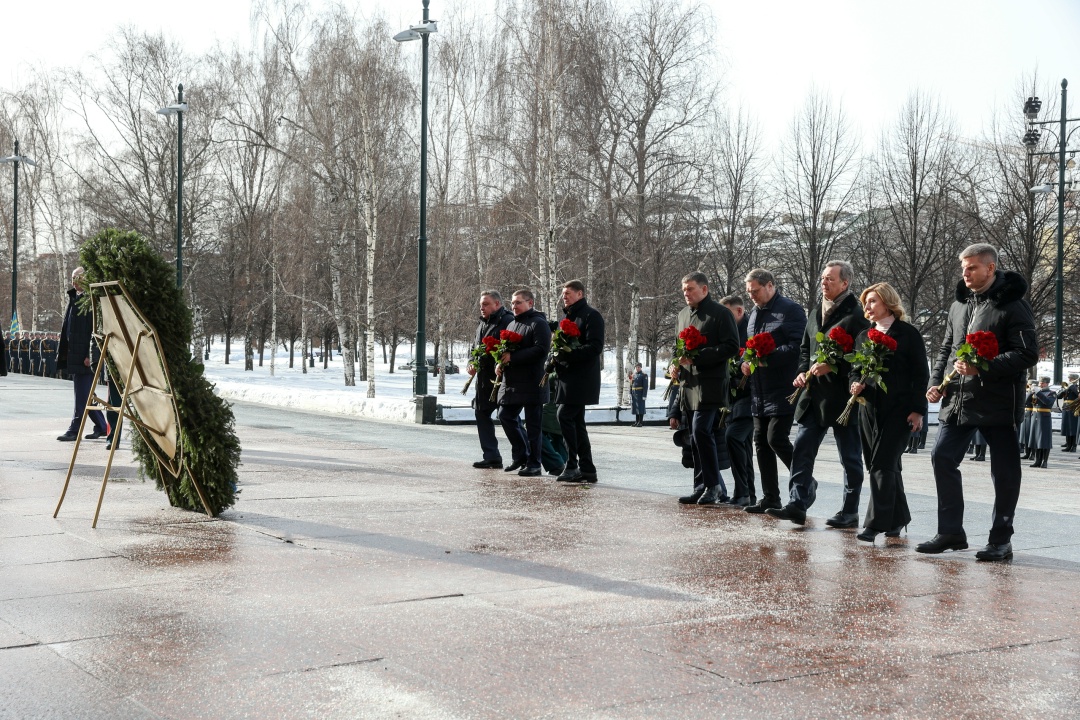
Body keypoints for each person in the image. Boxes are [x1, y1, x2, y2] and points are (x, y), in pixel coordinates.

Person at [922, 243, 1038, 562]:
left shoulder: (1013, 305)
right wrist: (935, 383)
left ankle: (1001, 539)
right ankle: (950, 532)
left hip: (998, 402)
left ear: (990, 268)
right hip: (958, 400)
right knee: (941, 457)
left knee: (1004, 472)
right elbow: (946, 348)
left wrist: (983, 366)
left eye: (971, 267)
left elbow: (1027, 353)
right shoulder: (958, 305)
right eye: (963, 267)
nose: (965, 273)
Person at [768, 261, 869, 527]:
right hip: (812, 397)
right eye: (823, 279)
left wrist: (834, 365)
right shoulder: (814, 312)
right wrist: (802, 371)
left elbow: (862, 359)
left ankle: (850, 511)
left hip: (842, 398)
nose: (824, 283)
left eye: (830, 280)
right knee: (801, 450)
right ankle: (797, 504)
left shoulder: (857, 315)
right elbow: (805, 349)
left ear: (845, 283)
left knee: (849, 458)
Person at [845, 283, 928, 543]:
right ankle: (898, 517)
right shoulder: (863, 336)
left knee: (882, 463)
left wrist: (918, 410)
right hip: (869, 409)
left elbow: (920, 374)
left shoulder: (908, 334)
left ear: (887, 303)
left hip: (900, 410)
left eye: (872, 302)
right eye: (865, 303)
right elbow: (854, 369)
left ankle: (875, 524)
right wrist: (855, 383)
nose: (867, 307)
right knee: (883, 465)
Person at [741, 268, 807, 514]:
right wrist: (745, 362)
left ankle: (805, 481)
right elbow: (747, 348)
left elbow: (798, 347)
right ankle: (770, 498)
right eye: (748, 293)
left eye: (755, 291)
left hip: (783, 387)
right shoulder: (753, 314)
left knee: (776, 438)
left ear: (770, 285)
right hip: (758, 390)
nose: (752, 297)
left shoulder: (790, 310)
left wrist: (767, 355)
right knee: (761, 443)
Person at [671, 272, 741, 505]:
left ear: (704, 289)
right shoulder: (682, 315)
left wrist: (698, 357)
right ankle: (701, 485)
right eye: (684, 290)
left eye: (690, 289)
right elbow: (677, 348)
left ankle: (713, 486)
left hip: (710, 383)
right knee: (694, 434)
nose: (686, 293)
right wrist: (675, 365)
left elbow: (731, 346)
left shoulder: (720, 314)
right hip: (688, 384)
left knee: (702, 430)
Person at [552, 280, 605, 483]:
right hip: (567, 377)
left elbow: (595, 347)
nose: (564, 296)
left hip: (581, 378)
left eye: (568, 293)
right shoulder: (568, 317)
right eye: (563, 293)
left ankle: (572, 464)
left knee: (564, 415)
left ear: (580, 294)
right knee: (576, 422)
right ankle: (587, 468)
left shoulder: (591, 315)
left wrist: (567, 355)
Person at [496, 289, 552, 477]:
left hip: (532, 381)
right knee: (505, 414)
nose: (514, 306)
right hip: (513, 382)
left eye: (518, 302)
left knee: (534, 425)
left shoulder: (539, 323)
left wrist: (513, 356)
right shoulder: (511, 324)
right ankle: (521, 454)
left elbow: (541, 350)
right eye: (512, 303)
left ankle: (534, 464)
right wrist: (500, 363)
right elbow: (505, 351)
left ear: (530, 303)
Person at [57, 267, 109, 442]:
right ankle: (101, 426)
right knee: (85, 395)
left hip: (84, 357)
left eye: (77, 277)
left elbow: (95, 332)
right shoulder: (76, 298)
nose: (73, 281)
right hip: (75, 353)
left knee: (82, 396)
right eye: (72, 277)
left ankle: (74, 430)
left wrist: (91, 356)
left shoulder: (90, 300)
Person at [469, 291, 514, 469]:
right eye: (481, 304)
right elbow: (474, 347)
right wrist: (471, 362)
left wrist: (500, 363)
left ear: (497, 304)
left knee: (508, 417)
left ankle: (523, 454)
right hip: (484, 379)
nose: (482, 307)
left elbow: (509, 347)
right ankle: (491, 455)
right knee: (481, 413)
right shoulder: (482, 324)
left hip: (502, 378)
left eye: (486, 304)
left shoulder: (507, 321)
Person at [720, 295, 756, 506]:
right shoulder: (728, 331)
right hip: (734, 397)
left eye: (726, 313)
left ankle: (743, 492)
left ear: (739, 312)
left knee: (733, 437)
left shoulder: (750, 330)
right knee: (743, 445)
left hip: (751, 395)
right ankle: (746, 493)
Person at [1026, 377, 1055, 469]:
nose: (1041, 384)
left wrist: (1038, 393)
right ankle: (1037, 461)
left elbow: (1047, 402)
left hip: (1044, 417)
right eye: (1040, 383)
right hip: (1035, 416)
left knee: (1044, 440)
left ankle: (1044, 461)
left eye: (1043, 383)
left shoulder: (1051, 393)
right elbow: (1026, 402)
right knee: (1035, 439)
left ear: (1047, 384)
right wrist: (1030, 392)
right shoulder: (1036, 392)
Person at [1056, 373, 1078, 452]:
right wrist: (1063, 390)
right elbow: (1058, 397)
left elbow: (1077, 394)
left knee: (1073, 427)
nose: (1069, 380)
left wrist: (1071, 386)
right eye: (1069, 378)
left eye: (1071, 379)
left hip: (1073, 408)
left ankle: (1073, 446)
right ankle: (1068, 445)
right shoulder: (1067, 387)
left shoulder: (1076, 387)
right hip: (1066, 407)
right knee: (1067, 426)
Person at [629, 363, 648, 427]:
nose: (637, 368)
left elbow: (645, 386)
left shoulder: (644, 375)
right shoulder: (634, 375)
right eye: (636, 367)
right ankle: (636, 421)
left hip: (640, 393)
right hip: (634, 393)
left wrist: (644, 395)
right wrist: (630, 392)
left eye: (639, 367)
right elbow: (631, 385)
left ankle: (640, 422)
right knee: (636, 408)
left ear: (641, 368)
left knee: (640, 408)